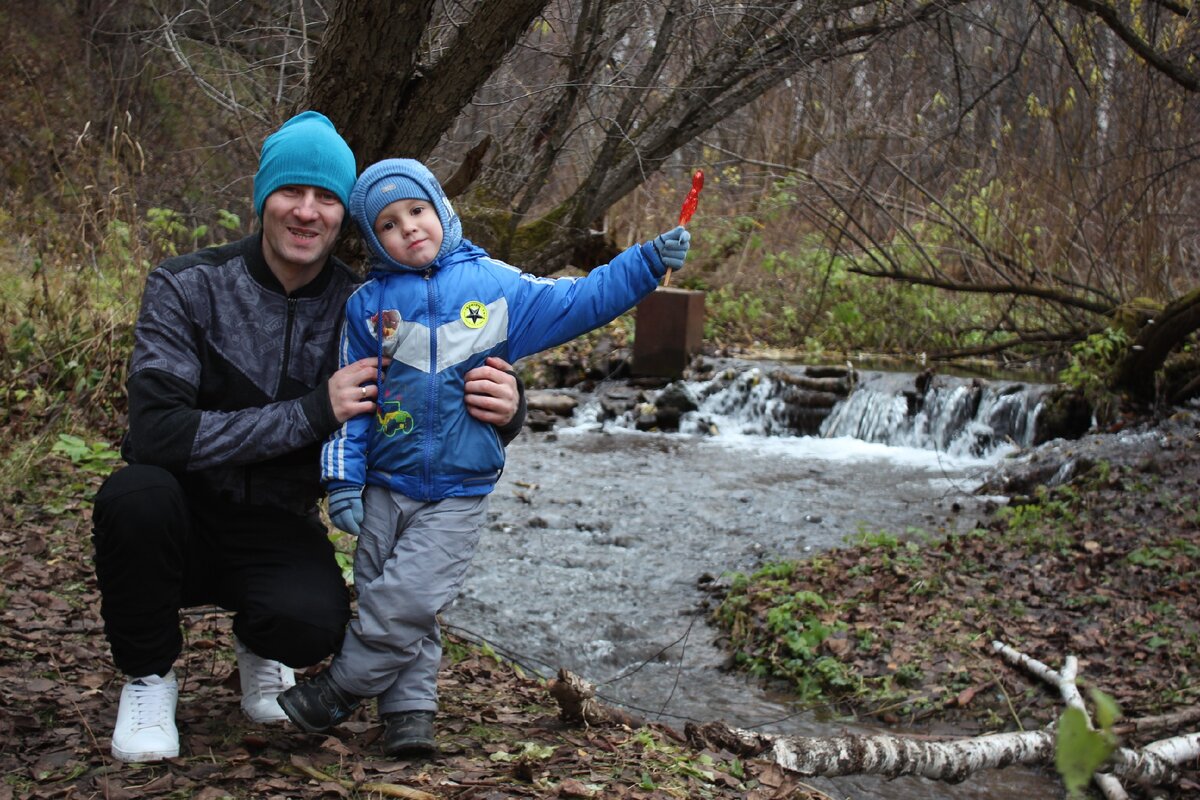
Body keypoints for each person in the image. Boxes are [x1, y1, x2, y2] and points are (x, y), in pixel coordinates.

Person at [91, 113, 526, 764]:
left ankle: (262, 648)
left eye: (326, 197)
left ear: (342, 217)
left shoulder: (368, 309)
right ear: (263, 199)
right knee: (133, 497)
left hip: (278, 521)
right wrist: (312, 411)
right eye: (292, 192)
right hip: (177, 514)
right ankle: (149, 677)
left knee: (310, 625)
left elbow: (436, 402)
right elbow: (156, 434)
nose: (307, 211)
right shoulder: (186, 285)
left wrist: (511, 409)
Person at [275, 157, 690, 757]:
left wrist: (646, 262)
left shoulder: (497, 287)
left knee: (409, 598)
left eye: (417, 211)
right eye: (389, 224)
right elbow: (351, 399)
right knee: (386, 594)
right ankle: (410, 712)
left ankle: (341, 689)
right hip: (383, 485)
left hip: (457, 490)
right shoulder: (368, 306)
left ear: (442, 210)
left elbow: (584, 297)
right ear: (373, 240)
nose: (409, 228)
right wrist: (342, 480)